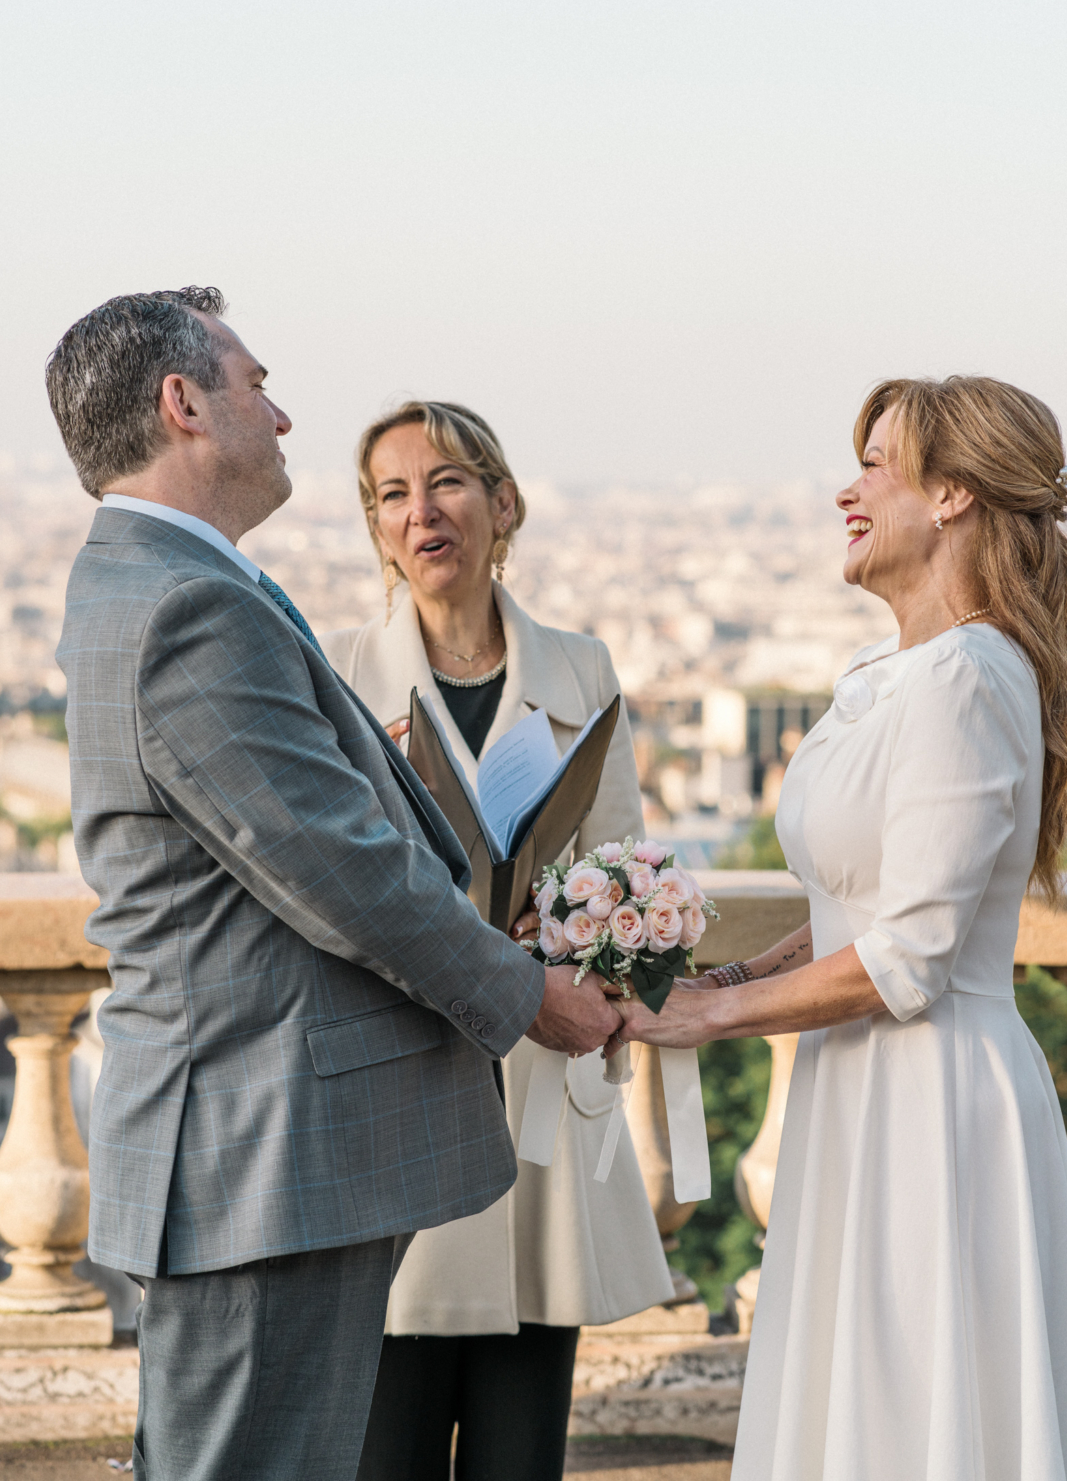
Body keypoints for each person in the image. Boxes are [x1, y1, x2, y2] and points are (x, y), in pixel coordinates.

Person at [47, 290, 620, 1481]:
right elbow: (344, 873)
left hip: (257, 1148)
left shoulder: (158, 582)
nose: (285, 414)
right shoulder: (187, 605)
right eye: (258, 383)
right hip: (262, 1155)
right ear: (184, 403)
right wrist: (529, 994)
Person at [610, 377, 1067, 1479]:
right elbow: (859, 905)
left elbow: (913, 954)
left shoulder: (969, 678)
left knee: (914, 1404)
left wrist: (710, 1017)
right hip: (857, 1084)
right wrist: (723, 973)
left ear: (953, 495)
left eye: (877, 462)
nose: (848, 487)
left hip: (930, 1100)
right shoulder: (892, 675)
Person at [321, 400, 673, 1481]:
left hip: (536, 1092)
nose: (421, 510)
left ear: (502, 504)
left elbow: (625, 878)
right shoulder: (332, 677)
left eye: (448, 483)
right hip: (398, 1097)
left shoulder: (583, 669)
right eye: (393, 493)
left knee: (523, 1453)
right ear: (378, 529)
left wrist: (569, 929)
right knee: (389, 1447)